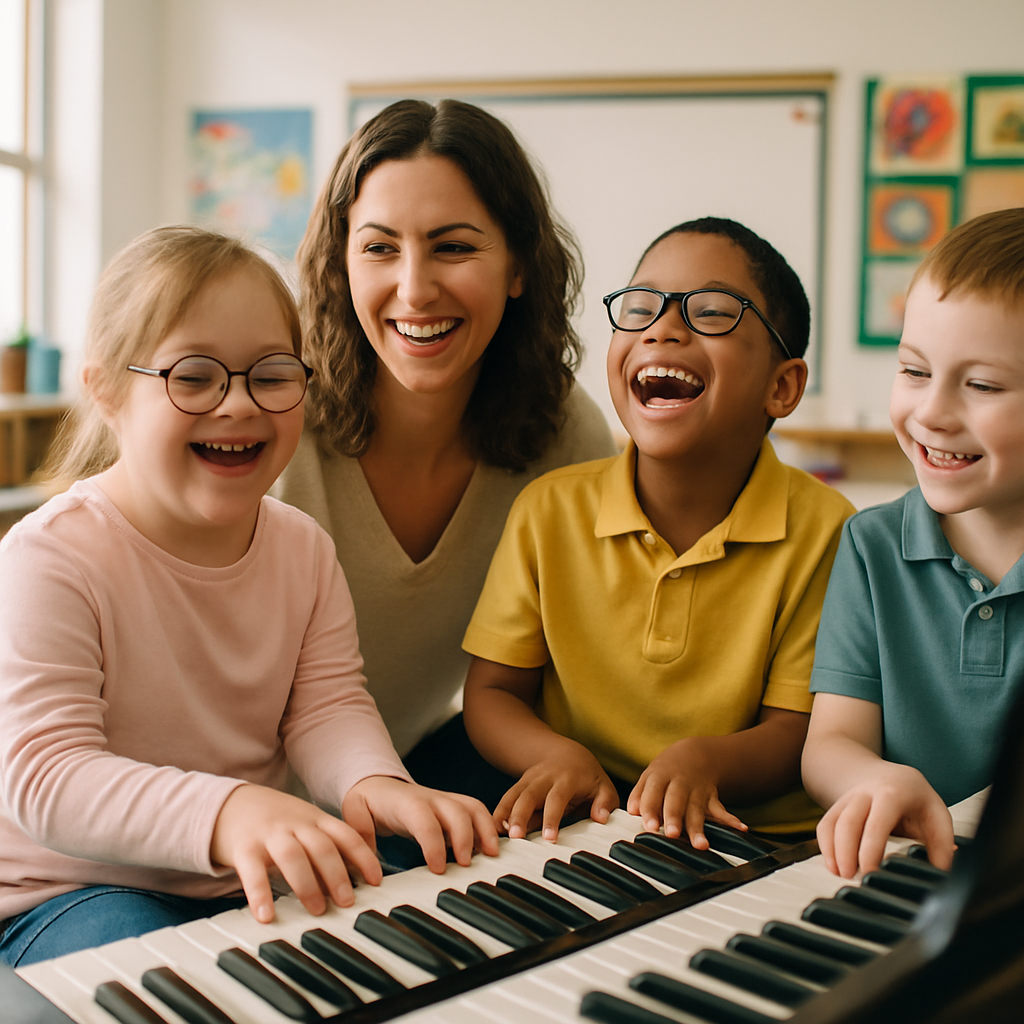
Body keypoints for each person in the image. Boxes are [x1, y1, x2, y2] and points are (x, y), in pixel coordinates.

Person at [0, 226, 497, 969]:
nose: (237, 405)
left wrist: (376, 784)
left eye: (270, 374)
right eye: (194, 377)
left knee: (414, 943)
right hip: (68, 892)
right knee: (162, 971)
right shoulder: (52, 556)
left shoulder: (303, 547)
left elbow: (327, 708)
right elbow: (47, 775)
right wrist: (227, 810)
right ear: (106, 390)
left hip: (235, 876)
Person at [462, 217, 855, 849]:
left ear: (781, 387)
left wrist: (706, 764)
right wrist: (554, 756)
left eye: (713, 312)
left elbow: (798, 731)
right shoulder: (548, 511)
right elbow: (492, 694)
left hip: (753, 838)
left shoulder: (830, 531)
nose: (662, 328)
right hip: (585, 826)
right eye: (641, 306)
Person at [274, 99, 615, 801]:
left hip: (395, 781)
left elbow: (576, 674)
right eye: (379, 247)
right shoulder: (272, 413)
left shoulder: (565, 434)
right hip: (212, 809)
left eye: (453, 246)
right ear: (341, 264)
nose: (415, 288)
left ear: (518, 266)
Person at [802, 208, 1024, 879]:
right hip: (906, 878)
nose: (931, 412)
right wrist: (873, 780)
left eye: (981, 384)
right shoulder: (871, 547)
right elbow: (831, 743)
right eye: (914, 371)